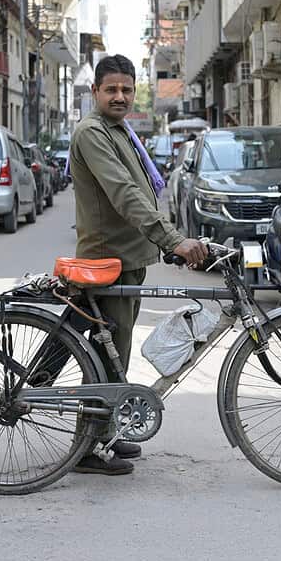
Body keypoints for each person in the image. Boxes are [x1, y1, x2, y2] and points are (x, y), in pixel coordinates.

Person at [68, 54, 208, 476]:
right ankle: (86, 450)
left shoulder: (120, 130)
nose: (120, 96)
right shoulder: (94, 132)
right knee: (103, 356)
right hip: (105, 259)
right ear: (95, 92)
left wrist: (166, 240)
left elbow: (145, 192)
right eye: (111, 89)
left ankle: (105, 432)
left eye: (126, 89)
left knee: (115, 353)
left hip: (127, 257)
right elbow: (125, 193)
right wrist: (171, 240)